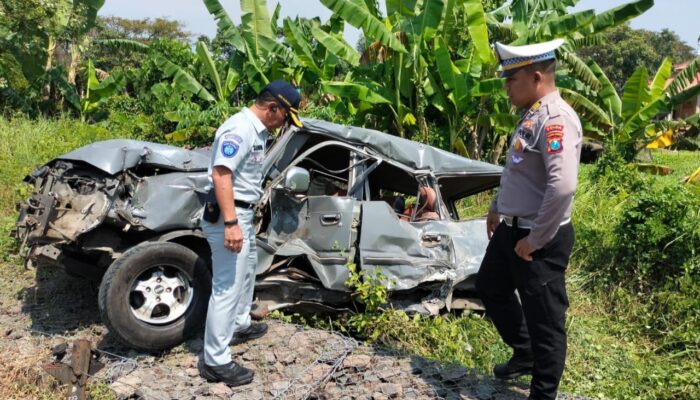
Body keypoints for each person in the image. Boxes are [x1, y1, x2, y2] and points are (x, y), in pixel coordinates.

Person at [475, 39, 582, 400]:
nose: (505, 87)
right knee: (490, 286)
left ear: (536, 77)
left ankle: (542, 393)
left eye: (511, 79)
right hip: (512, 230)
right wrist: (496, 206)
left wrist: (535, 239)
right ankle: (525, 352)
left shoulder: (556, 120)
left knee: (546, 322)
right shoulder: (532, 114)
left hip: (540, 239)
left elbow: (563, 186)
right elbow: (518, 171)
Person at [200, 80, 302, 386]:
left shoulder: (255, 130)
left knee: (244, 276)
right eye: (285, 115)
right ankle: (215, 361)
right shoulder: (240, 129)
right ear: (273, 108)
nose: (284, 122)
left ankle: (241, 323)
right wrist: (231, 224)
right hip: (229, 216)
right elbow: (221, 174)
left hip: (242, 213)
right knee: (227, 286)